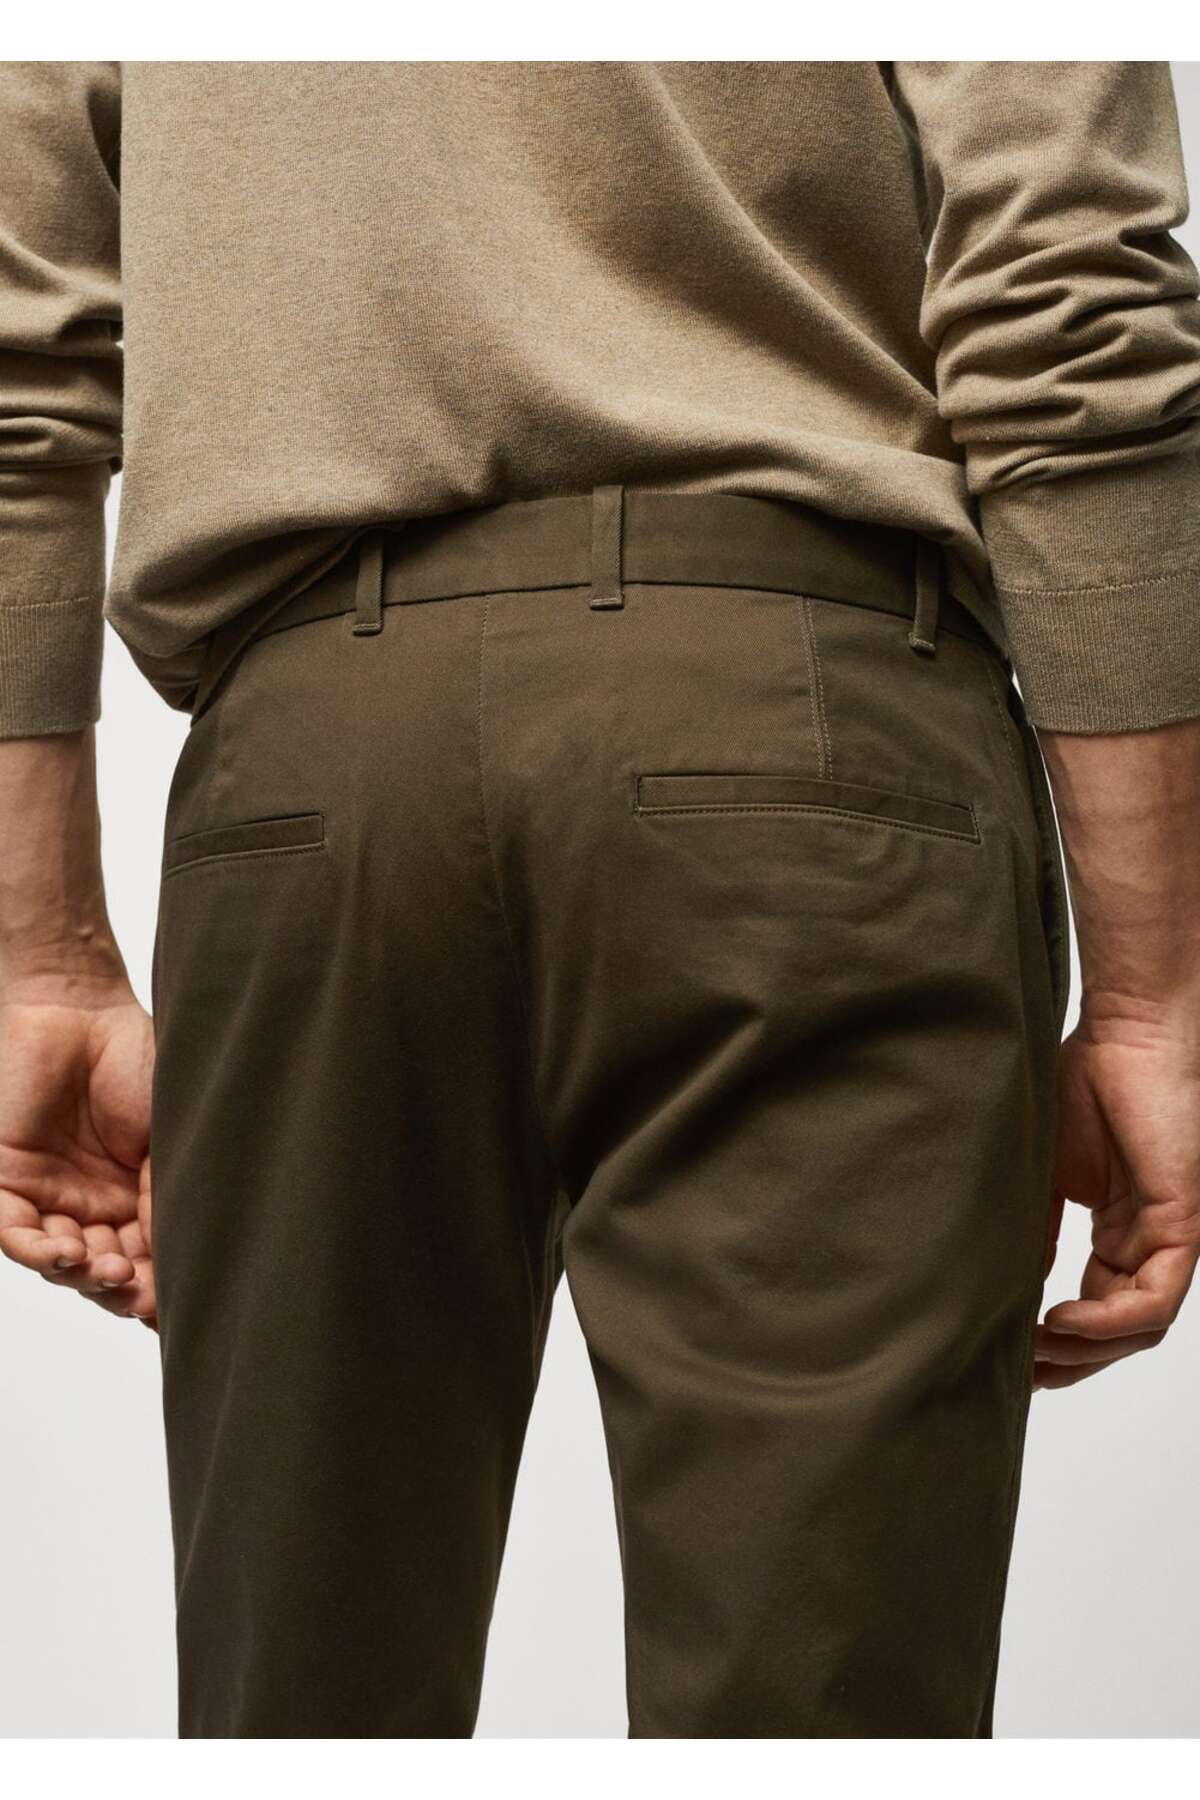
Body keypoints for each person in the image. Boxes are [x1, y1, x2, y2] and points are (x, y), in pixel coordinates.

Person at [1, 60, 1198, 1741]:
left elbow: (16, 376)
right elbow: (1069, 300)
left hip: (314, 785)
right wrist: (1151, 997)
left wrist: (40, 957)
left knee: (303, 1718)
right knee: (823, 1725)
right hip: (809, 749)